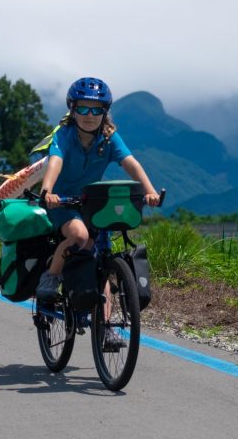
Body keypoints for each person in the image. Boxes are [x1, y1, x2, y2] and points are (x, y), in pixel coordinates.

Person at [36, 77, 160, 347]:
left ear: (105, 112)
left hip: (93, 203)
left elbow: (131, 164)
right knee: (79, 236)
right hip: (62, 203)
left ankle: (105, 329)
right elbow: (54, 163)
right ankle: (51, 277)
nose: (89, 116)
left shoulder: (109, 137)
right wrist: (47, 191)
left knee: (101, 260)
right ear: (72, 109)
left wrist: (149, 191)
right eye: (83, 109)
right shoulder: (64, 134)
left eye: (96, 110)